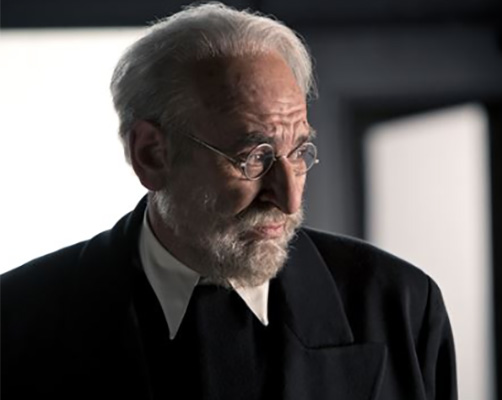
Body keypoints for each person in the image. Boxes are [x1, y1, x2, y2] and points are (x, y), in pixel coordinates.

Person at [0, 3, 457, 399]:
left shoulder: (402, 306)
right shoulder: (17, 319)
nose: (288, 198)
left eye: (299, 152)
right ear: (151, 155)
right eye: (253, 157)